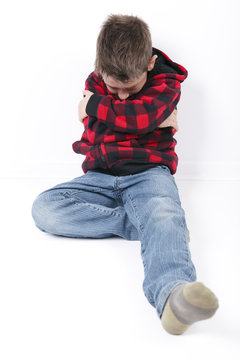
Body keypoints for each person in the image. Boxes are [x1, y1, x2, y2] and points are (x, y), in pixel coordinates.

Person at [32, 14, 219, 335]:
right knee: (45, 207)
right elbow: (121, 124)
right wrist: (146, 121)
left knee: (162, 210)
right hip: (100, 175)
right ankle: (147, 227)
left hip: (149, 172)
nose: (120, 95)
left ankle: (173, 295)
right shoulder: (95, 80)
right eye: (112, 87)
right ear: (99, 67)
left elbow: (138, 116)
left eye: (129, 89)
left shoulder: (167, 83)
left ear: (149, 63)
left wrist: (97, 108)